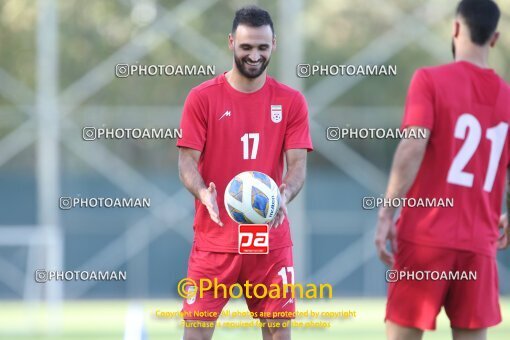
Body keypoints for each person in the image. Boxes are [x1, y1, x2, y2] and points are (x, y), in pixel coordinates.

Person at [374, 1, 510, 339]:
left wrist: (386, 214)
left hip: (425, 237)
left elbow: (412, 146)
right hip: (479, 244)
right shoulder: (508, 97)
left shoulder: (429, 80)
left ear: (455, 28)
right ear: (493, 39)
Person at [176, 5, 313, 340]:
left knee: (279, 335)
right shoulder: (202, 98)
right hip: (215, 237)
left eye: (262, 47)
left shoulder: (291, 101)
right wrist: (203, 193)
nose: (254, 55)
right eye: (246, 47)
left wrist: (284, 194)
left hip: (268, 239)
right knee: (196, 334)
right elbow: (186, 162)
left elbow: (297, 166)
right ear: (231, 43)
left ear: (274, 46)